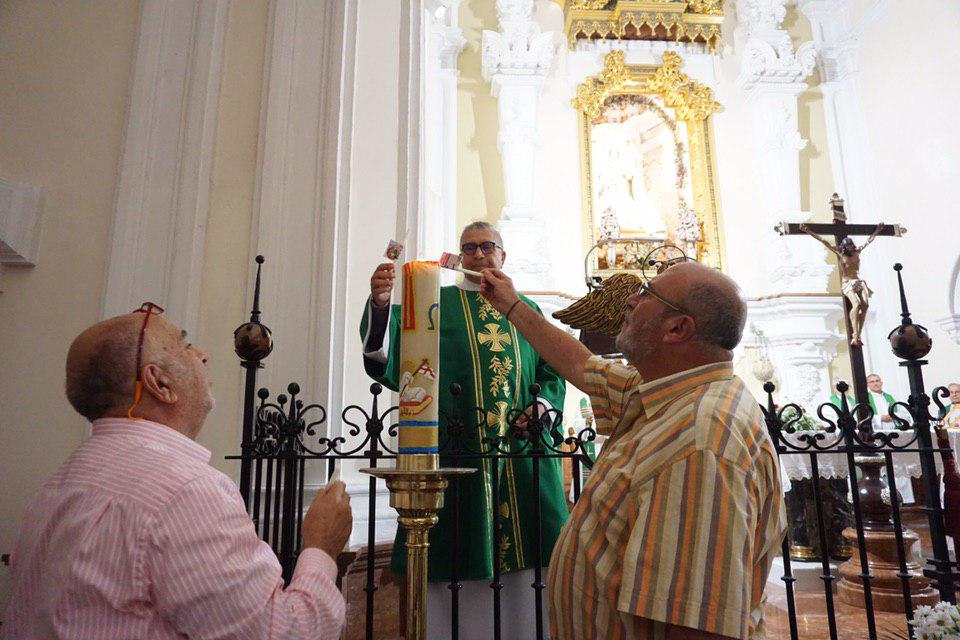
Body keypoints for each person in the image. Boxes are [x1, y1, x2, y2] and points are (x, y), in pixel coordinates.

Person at [2, 306, 352, 639]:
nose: (202, 355)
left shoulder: (63, 481)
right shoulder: (186, 492)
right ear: (160, 383)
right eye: (186, 346)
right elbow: (286, 632)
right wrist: (321, 545)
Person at [481, 261, 785, 640]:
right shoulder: (667, 391)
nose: (629, 300)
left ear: (677, 328)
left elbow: (695, 624)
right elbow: (580, 363)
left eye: (646, 294)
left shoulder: (699, 438)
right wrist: (511, 304)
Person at [360, 221, 567, 639]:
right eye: (469, 248)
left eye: (487, 246)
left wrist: (541, 406)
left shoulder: (526, 308)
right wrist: (381, 305)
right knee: (455, 568)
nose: (478, 254)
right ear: (458, 256)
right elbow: (396, 352)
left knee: (531, 580)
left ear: (503, 256)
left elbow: (552, 369)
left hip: (520, 459)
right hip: (459, 456)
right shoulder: (435, 303)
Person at [799, 222, 884, 346]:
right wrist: (808, 231)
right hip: (847, 283)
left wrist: (877, 230)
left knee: (865, 305)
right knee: (857, 305)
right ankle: (855, 334)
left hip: (858, 281)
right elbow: (824, 241)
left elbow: (869, 241)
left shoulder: (857, 251)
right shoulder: (840, 253)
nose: (849, 247)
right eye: (847, 246)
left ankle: (858, 334)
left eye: (850, 245)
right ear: (844, 246)